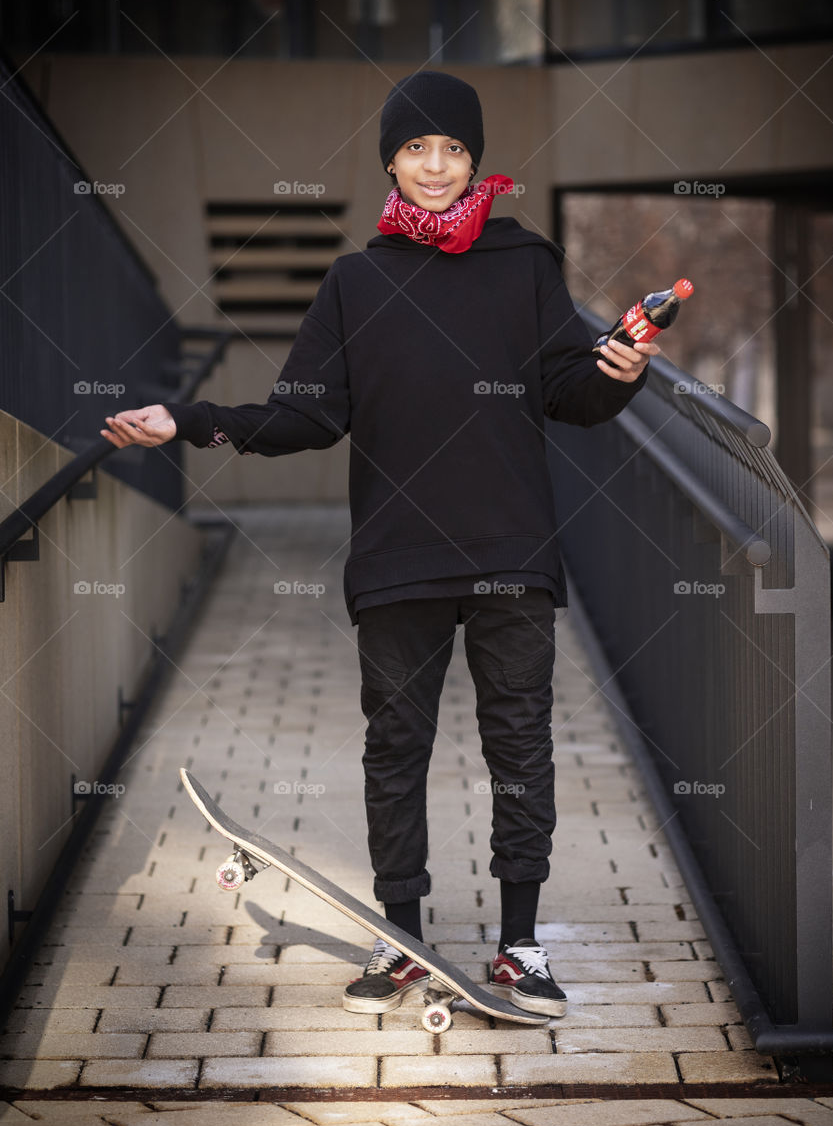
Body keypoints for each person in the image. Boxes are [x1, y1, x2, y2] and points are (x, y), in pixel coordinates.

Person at [102, 70, 661, 1019]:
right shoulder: (356, 280)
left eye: (452, 150)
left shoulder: (523, 265)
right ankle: (400, 935)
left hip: (510, 554)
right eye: (416, 149)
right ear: (390, 163)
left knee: (517, 746)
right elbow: (302, 420)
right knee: (395, 747)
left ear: (474, 162)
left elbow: (574, 395)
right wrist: (187, 419)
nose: (435, 166)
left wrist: (622, 369)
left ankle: (520, 947)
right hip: (399, 558)